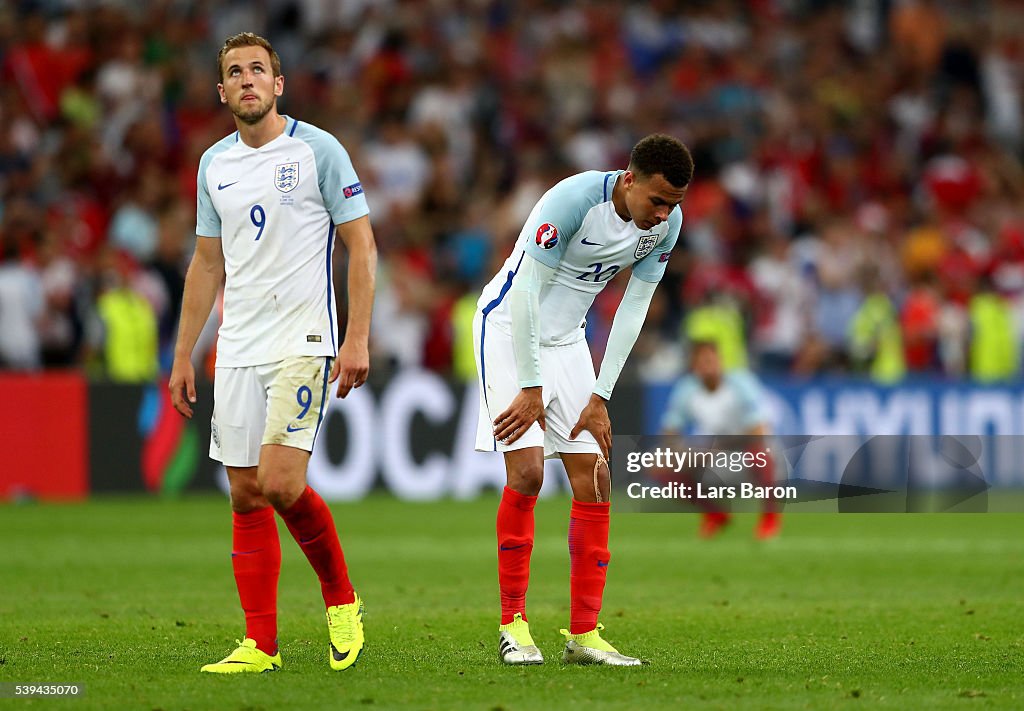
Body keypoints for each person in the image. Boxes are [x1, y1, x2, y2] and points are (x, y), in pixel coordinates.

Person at [169, 32, 377, 674]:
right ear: (223, 90)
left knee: (281, 484)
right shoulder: (214, 166)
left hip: (303, 339)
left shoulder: (319, 150)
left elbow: (361, 246)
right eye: (235, 72)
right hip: (236, 348)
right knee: (244, 496)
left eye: (258, 69)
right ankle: (261, 644)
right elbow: (206, 263)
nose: (247, 80)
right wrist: (183, 355)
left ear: (278, 84)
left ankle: (343, 602)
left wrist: (357, 336)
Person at [474, 134, 693, 666]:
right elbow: (525, 292)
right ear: (629, 180)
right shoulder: (570, 201)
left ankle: (583, 634)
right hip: (509, 330)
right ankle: (513, 624)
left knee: (595, 477)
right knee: (526, 474)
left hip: (568, 340)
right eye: (657, 201)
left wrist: (600, 394)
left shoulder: (666, 225)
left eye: (674, 205)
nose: (663, 215)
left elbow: (634, 304)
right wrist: (530, 385)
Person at [660, 340, 780, 539]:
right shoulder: (686, 390)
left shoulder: (741, 384)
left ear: (720, 361)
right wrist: (682, 453)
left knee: (761, 452)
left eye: (711, 360)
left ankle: (769, 519)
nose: (708, 367)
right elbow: (670, 430)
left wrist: (718, 447)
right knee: (660, 465)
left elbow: (759, 432)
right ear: (694, 366)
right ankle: (715, 514)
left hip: (744, 456)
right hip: (713, 459)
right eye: (702, 362)